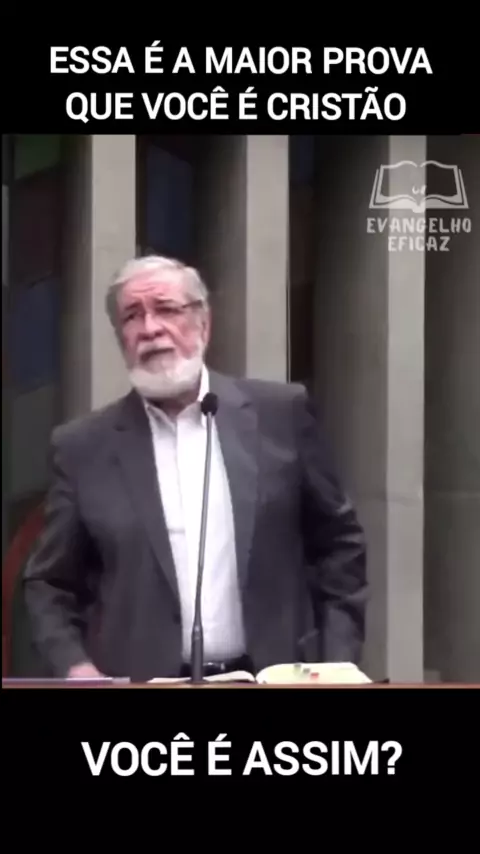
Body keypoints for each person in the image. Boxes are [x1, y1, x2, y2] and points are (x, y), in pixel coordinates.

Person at [23, 254, 368, 681]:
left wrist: (335, 663)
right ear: (121, 338)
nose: (150, 328)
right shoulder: (82, 447)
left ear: (203, 323)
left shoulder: (280, 414)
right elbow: (49, 583)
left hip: (277, 678)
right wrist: (76, 668)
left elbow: (340, 547)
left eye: (166, 309)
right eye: (132, 316)